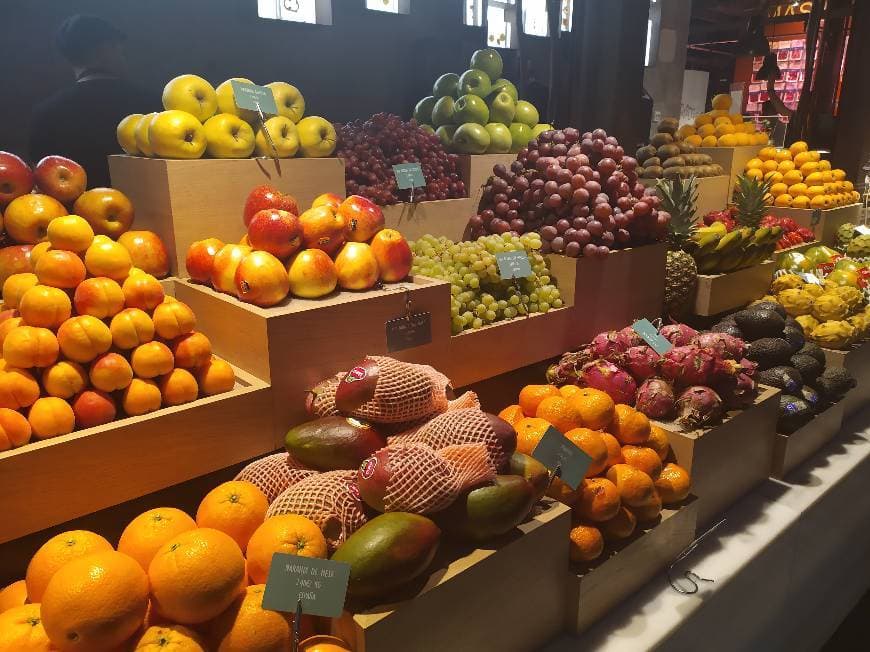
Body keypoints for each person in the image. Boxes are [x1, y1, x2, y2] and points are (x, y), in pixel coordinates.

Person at [29, 15, 154, 187]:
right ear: (108, 48)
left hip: (73, 213)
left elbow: (40, 178)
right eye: (120, 50)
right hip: (155, 208)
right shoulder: (152, 107)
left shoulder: (45, 114)